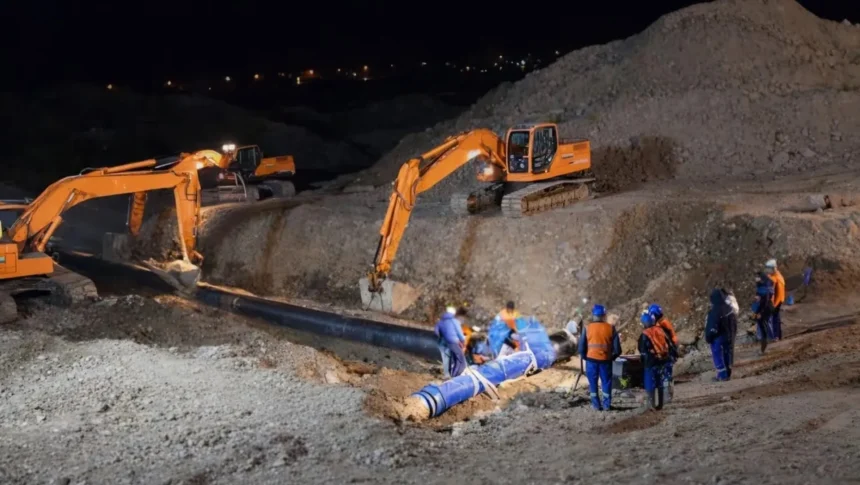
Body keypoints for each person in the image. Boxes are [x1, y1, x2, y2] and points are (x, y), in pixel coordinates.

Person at [577, 304, 622, 411]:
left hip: (591, 361)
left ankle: (596, 405)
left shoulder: (587, 328)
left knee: (593, 384)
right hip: (606, 361)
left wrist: (586, 357)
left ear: (593, 315)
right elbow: (618, 350)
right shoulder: (611, 328)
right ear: (604, 315)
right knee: (606, 383)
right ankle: (606, 405)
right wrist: (611, 357)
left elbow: (581, 348)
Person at [638, 313, 676, 410]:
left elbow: (642, 350)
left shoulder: (645, 334)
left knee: (650, 383)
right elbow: (670, 344)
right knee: (660, 382)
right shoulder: (660, 330)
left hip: (651, 362)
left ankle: (651, 405)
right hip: (663, 360)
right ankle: (661, 404)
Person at [705, 288, 738, 381]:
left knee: (718, 355)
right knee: (728, 353)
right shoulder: (729, 308)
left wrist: (708, 338)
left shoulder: (715, 311)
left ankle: (722, 374)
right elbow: (734, 324)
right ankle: (728, 372)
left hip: (718, 337)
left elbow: (712, 327)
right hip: (729, 336)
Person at [647, 303, 678, 401]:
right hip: (669, 353)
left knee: (664, 376)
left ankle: (665, 397)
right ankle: (666, 396)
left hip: (665, 354)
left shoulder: (660, 325)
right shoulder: (664, 322)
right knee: (666, 376)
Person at [434, 306, 467, 378]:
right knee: (460, 360)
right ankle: (456, 375)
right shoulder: (454, 321)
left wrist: (442, 336)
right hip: (453, 342)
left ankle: (448, 375)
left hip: (444, 343)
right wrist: (463, 341)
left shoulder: (440, 321)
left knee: (447, 359)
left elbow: (436, 332)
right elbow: (459, 333)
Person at [753, 273, 775, 354]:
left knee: (763, 327)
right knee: (763, 327)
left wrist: (759, 313)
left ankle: (763, 349)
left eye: (757, 277)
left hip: (765, 309)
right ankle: (764, 347)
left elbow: (764, 302)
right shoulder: (765, 286)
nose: (756, 278)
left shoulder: (764, 288)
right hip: (767, 308)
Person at [765, 259, 786, 340]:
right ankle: (777, 336)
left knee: (772, 319)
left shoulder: (776, 278)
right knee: (776, 318)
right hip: (778, 300)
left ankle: (774, 337)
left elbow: (775, 293)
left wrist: (773, 304)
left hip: (775, 302)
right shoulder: (777, 275)